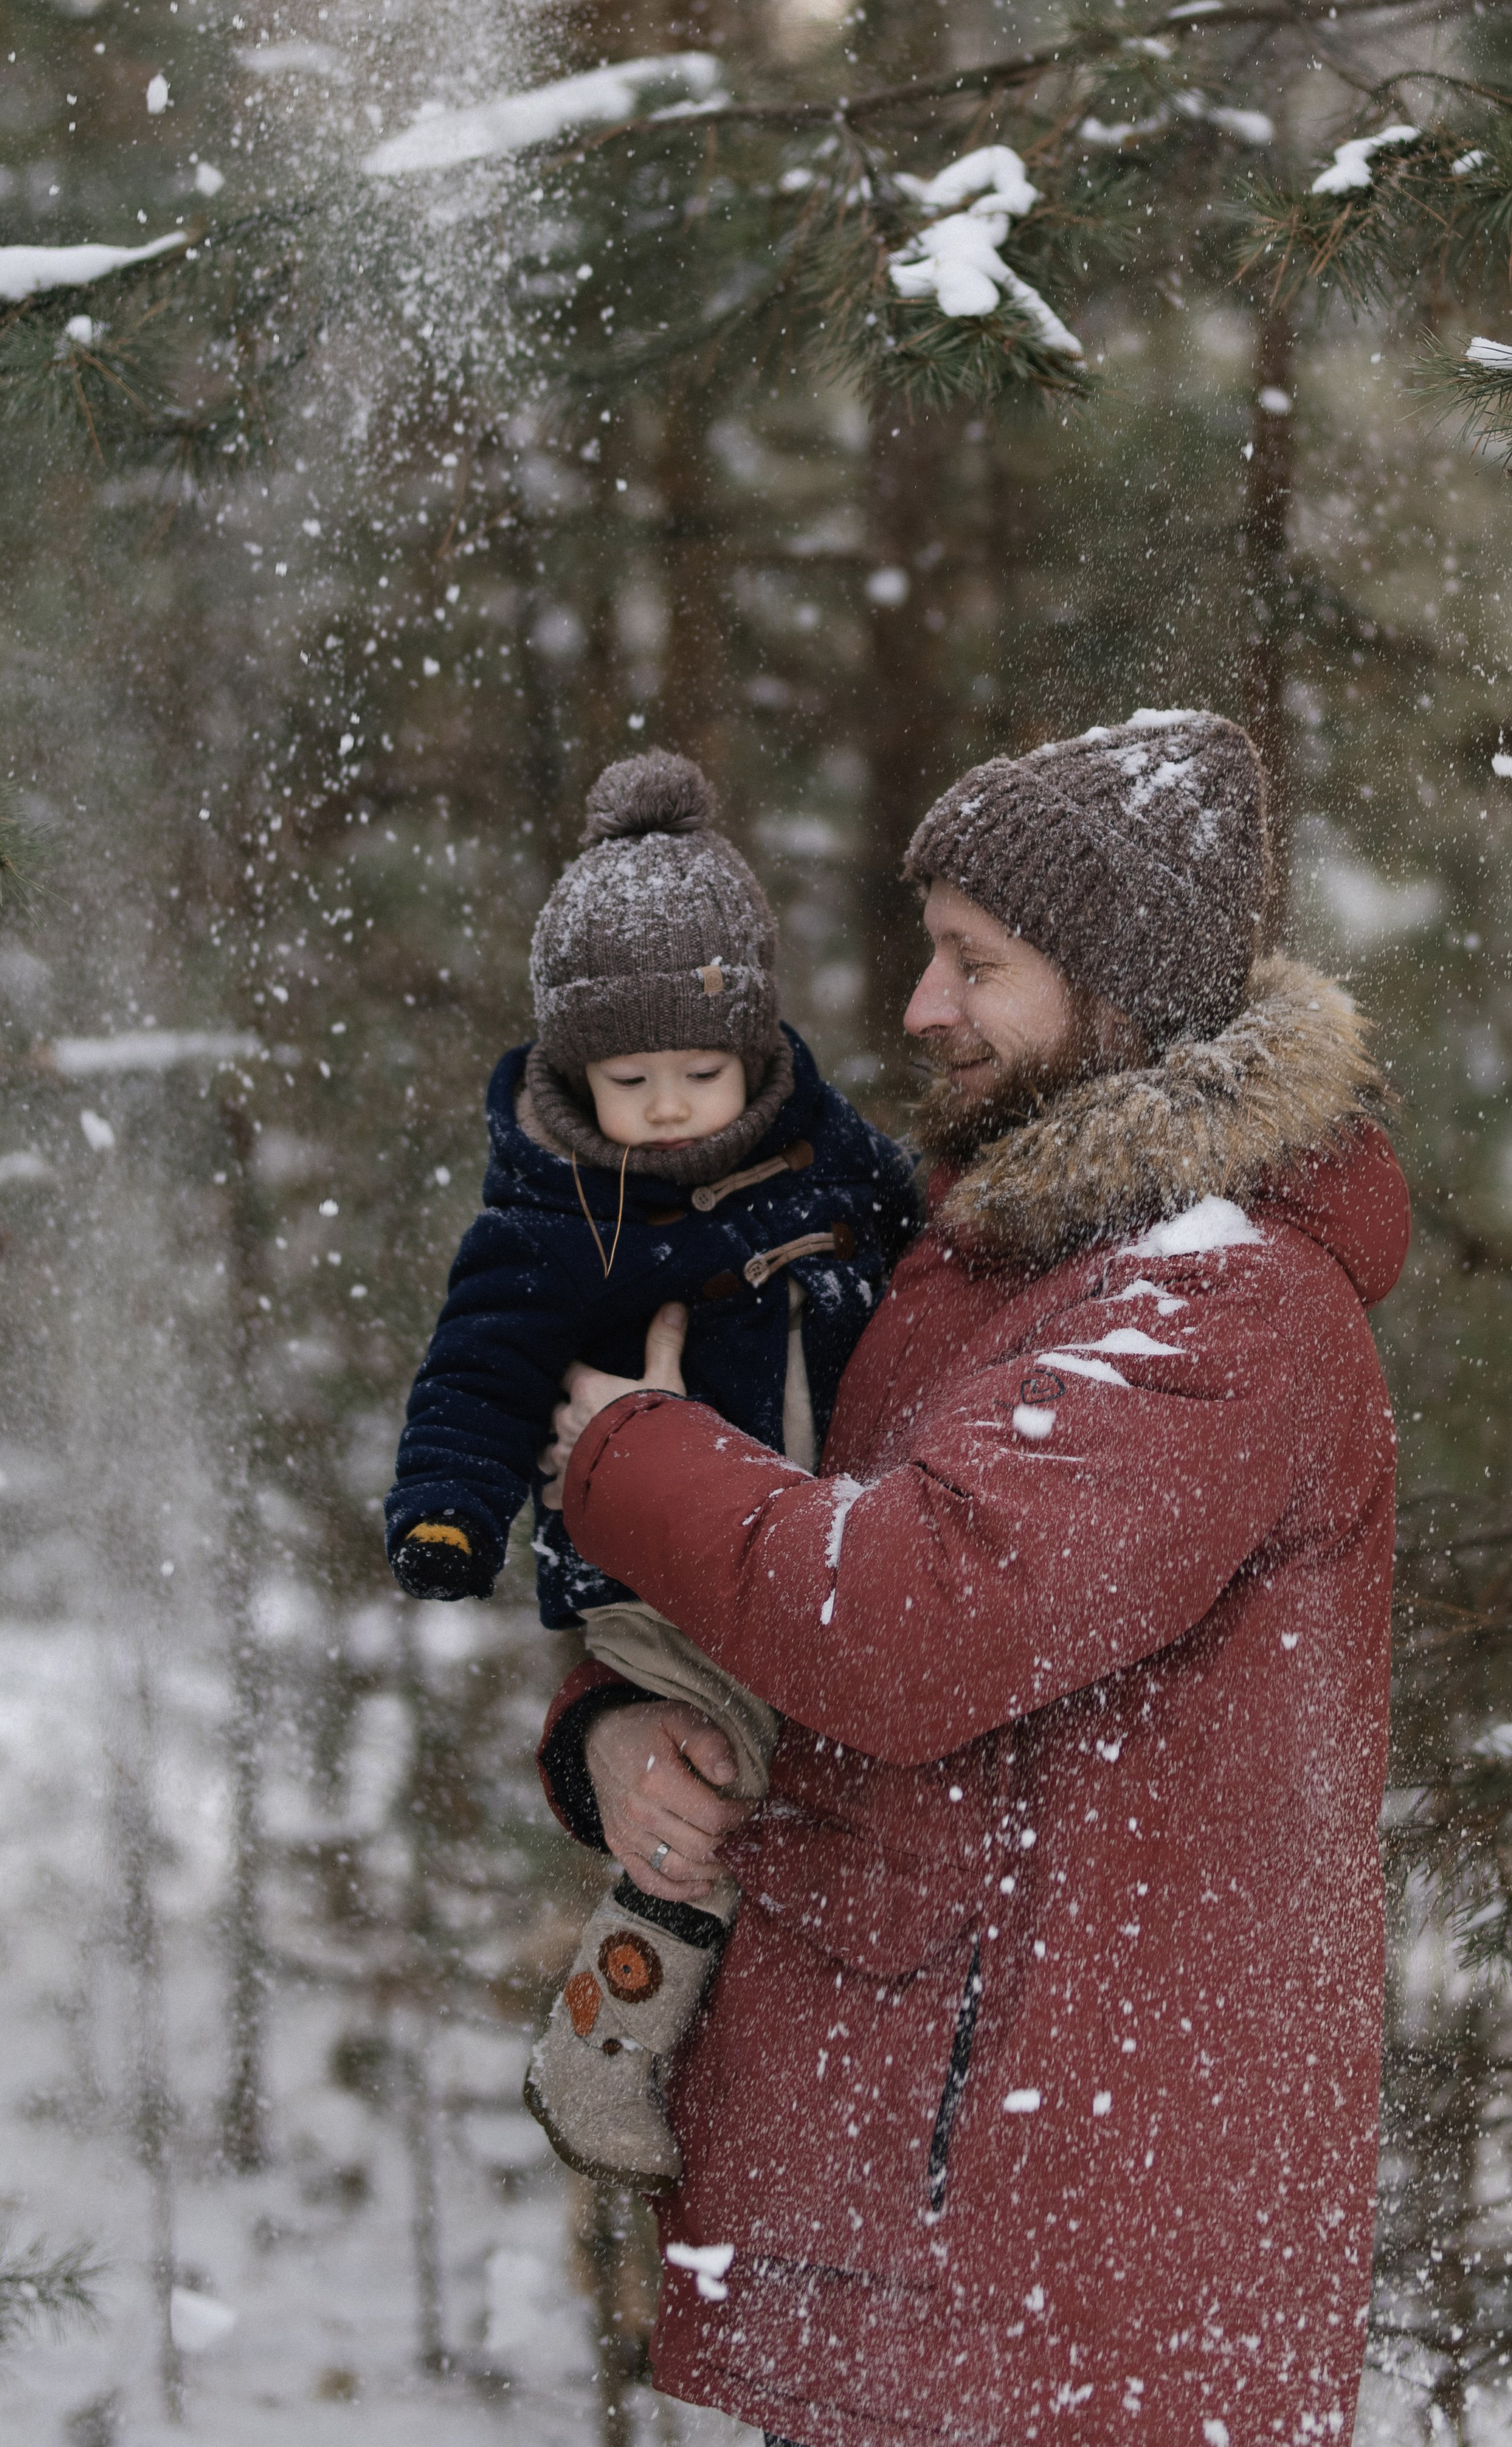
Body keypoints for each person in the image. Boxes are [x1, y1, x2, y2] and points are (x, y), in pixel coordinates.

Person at [536, 709, 1409, 2447]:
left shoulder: (1213, 1306)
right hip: (913, 2226)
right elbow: (787, 1586)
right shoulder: (997, 1262)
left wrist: (614, 1450)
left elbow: (902, 1619)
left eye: (974, 964)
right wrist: (619, 1732)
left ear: (1122, 991)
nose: (923, 1009)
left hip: (1065, 2280)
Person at [382, 748, 916, 2190]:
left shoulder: (825, 1151)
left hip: (808, 1542)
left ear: (754, 1047)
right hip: (657, 1588)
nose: (672, 1105)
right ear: (572, 1071)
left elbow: (925, 1235)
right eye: (632, 1079)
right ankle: (600, 2049)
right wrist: (448, 1508)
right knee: (721, 1783)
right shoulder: (557, 1221)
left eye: (701, 1069)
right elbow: (479, 1371)